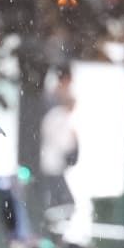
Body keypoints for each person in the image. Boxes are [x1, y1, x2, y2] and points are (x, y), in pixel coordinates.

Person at [37, 65, 80, 219]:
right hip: (53, 162)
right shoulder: (56, 114)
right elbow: (63, 141)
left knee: (58, 200)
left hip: (53, 161)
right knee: (61, 202)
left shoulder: (56, 113)